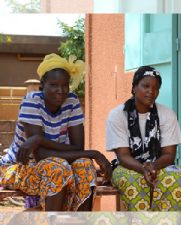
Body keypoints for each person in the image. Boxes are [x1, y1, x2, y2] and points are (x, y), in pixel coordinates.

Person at [0, 53, 112, 211]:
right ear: (42, 84)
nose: (61, 90)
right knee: (57, 168)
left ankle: (80, 221)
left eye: (65, 85)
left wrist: (39, 140)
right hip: (18, 167)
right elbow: (40, 156)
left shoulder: (71, 101)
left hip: (57, 164)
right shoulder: (32, 101)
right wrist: (93, 153)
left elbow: (78, 148)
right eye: (54, 85)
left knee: (85, 165)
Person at [106, 66, 181, 211]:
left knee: (178, 179)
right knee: (134, 181)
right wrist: (142, 169)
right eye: (146, 86)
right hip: (128, 167)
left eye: (156, 88)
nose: (151, 91)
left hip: (159, 165)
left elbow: (169, 154)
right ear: (134, 88)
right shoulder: (118, 115)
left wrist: (153, 167)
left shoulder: (167, 114)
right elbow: (123, 155)